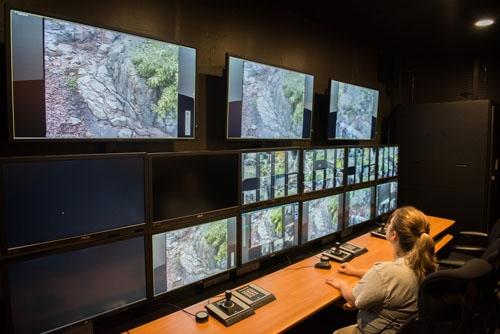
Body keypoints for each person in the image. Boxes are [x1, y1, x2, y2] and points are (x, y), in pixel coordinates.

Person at [326, 206, 438, 334]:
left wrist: (342, 284)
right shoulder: (422, 262)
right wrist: (354, 271)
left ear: (393, 235)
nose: (387, 225)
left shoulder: (386, 271)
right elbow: (385, 280)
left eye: (389, 223)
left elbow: (354, 299)